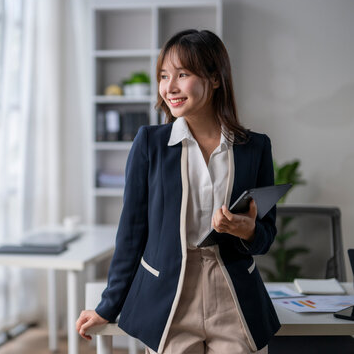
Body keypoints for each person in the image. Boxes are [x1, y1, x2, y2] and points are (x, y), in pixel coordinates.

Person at [75, 29, 280, 353]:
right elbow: (131, 234)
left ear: (215, 78)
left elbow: (267, 236)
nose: (169, 87)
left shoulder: (254, 147)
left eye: (182, 74)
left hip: (234, 296)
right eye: (163, 76)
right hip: (168, 296)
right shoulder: (150, 143)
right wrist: (107, 306)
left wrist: (249, 229)